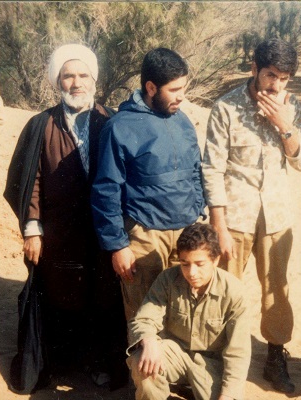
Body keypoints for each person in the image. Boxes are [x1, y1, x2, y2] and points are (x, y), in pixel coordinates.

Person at [4, 44, 127, 389]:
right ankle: (58, 362)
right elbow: (29, 181)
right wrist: (32, 229)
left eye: (83, 75)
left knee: (102, 296)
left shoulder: (112, 121)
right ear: (57, 81)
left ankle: (97, 362)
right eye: (68, 76)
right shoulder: (40, 125)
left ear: (94, 79)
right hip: (58, 234)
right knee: (59, 295)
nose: (76, 83)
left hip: (103, 232)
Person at [202, 38, 301, 394]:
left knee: (276, 288)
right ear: (254, 69)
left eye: (284, 78)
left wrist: (284, 125)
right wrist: (218, 225)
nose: (276, 85)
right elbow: (212, 169)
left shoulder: (292, 106)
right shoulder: (226, 108)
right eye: (270, 75)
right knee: (223, 287)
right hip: (235, 216)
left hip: (276, 215)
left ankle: (275, 357)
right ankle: (216, 357)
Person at [91, 48, 206, 321]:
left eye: (183, 88)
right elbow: (106, 190)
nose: (181, 96)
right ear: (151, 88)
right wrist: (118, 246)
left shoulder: (183, 121)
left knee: (184, 317)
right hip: (145, 237)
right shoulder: (119, 127)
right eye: (174, 89)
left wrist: (198, 213)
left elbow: (195, 171)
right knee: (145, 320)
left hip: (186, 236)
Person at [126, 223, 251, 400]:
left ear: (215, 260)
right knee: (142, 361)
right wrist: (149, 341)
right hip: (175, 354)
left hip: (211, 366)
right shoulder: (167, 279)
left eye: (200, 264)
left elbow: (238, 353)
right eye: (185, 264)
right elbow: (143, 319)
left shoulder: (234, 292)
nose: (192, 273)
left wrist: (228, 395)